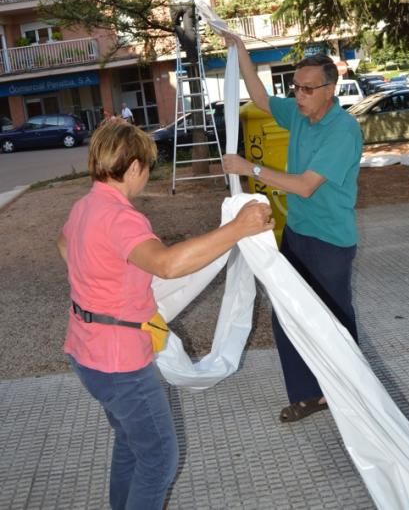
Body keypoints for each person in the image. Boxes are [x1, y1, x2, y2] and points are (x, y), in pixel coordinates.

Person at [57, 120, 273, 510]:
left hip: (85, 352)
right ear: (135, 167)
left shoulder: (86, 205)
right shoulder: (122, 218)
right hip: (119, 363)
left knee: (130, 443)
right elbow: (168, 265)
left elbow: (63, 243)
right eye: (148, 167)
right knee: (158, 459)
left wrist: (102, 279)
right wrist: (237, 228)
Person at [222, 35, 362, 423]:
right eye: (295, 87)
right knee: (286, 314)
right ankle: (308, 395)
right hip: (297, 234)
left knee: (334, 322)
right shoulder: (299, 115)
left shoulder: (342, 130)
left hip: (331, 242)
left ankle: (352, 389)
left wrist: (248, 168)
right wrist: (242, 53)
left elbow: (304, 185)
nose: (298, 95)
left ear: (329, 90)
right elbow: (262, 99)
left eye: (307, 89)